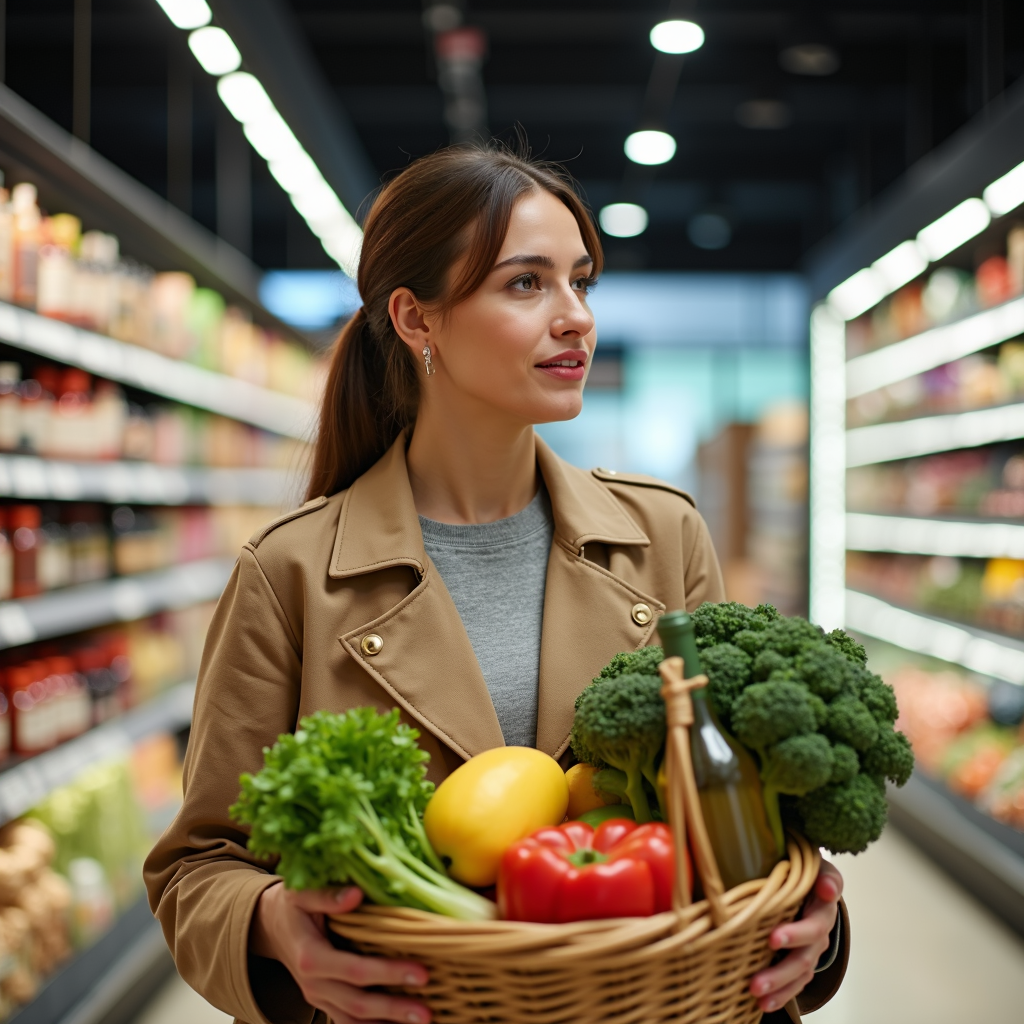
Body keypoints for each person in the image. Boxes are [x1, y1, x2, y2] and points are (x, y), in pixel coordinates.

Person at [145, 147, 848, 1024]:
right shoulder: (289, 573)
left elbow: (746, 810)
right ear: (416, 319)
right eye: (526, 285)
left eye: (581, 283)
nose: (575, 319)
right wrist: (274, 924)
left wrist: (811, 918)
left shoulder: (664, 538)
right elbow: (197, 865)